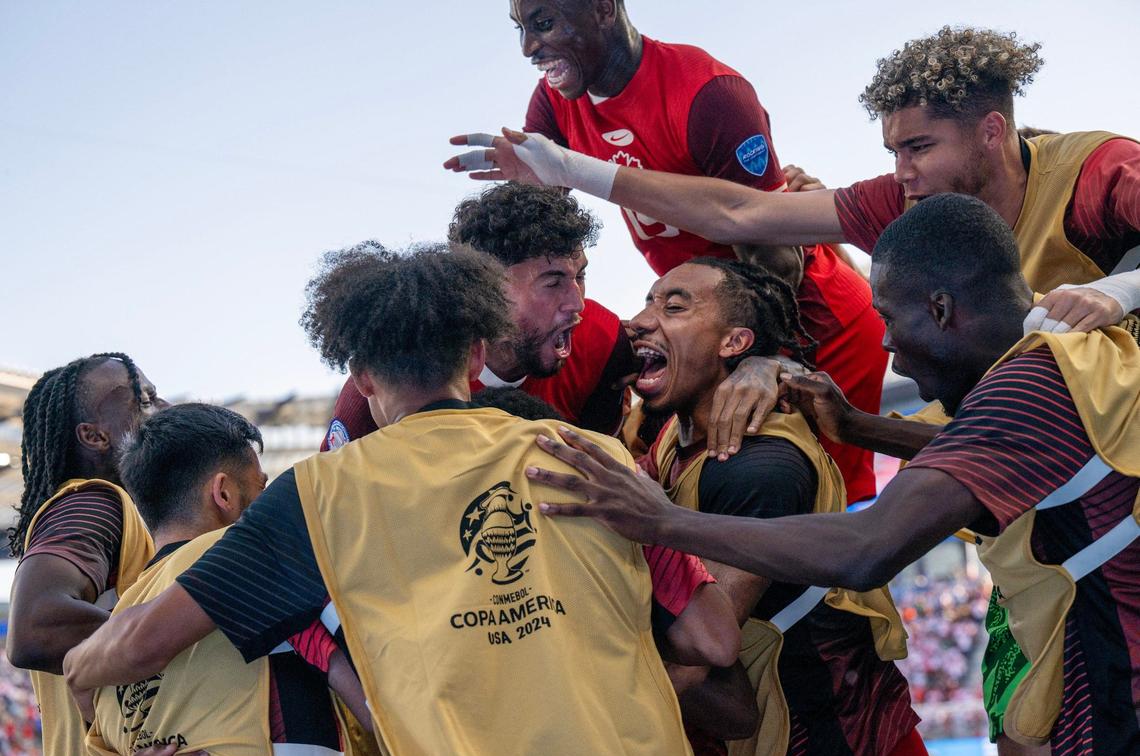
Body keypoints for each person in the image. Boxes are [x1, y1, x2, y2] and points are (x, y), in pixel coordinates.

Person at [64, 242, 742, 756]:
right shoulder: (589, 452)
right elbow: (712, 635)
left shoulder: (319, 494)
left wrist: (80, 669)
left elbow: (142, 642)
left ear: (359, 373)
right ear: (477, 354)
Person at [528, 194, 1140, 756]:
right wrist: (856, 426)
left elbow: (866, 549)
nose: (890, 350)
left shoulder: (1025, 387)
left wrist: (661, 521)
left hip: (853, 728)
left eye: (891, 321)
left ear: (942, 309)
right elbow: (989, 447)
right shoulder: (1057, 369)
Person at [448, 25, 1140, 340]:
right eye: (892, 150)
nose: (901, 172)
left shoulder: (1098, 170)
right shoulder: (900, 202)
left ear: (992, 132)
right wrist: (568, 170)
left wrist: (1118, 291)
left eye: (920, 148)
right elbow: (743, 214)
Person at [505, 0, 885, 497]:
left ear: (601, 8)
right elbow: (539, 236)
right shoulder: (556, 98)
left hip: (808, 323)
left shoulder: (710, 94)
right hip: (699, 330)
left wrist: (764, 359)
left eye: (544, 23)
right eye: (521, 29)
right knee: (685, 490)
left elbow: (776, 259)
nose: (530, 47)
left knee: (800, 506)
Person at [627, 256, 921, 756]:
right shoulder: (670, 431)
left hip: (827, 737)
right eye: (648, 301)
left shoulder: (756, 465)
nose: (640, 321)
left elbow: (693, 664)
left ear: (734, 342)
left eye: (674, 307)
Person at [322, 183, 788, 465]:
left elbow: (706, 360)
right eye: (553, 282)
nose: (577, 303)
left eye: (581, 276)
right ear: (487, 288)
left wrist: (766, 365)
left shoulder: (602, 339)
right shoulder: (392, 376)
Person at [85, 402, 369, 756]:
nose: (268, 502)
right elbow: (376, 701)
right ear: (223, 494)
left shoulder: (112, 634)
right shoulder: (259, 560)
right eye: (261, 487)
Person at [5, 353, 166, 756]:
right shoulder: (94, 502)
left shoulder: (123, 513)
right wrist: (174, 638)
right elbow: (34, 627)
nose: (163, 408)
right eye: (143, 400)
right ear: (94, 436)